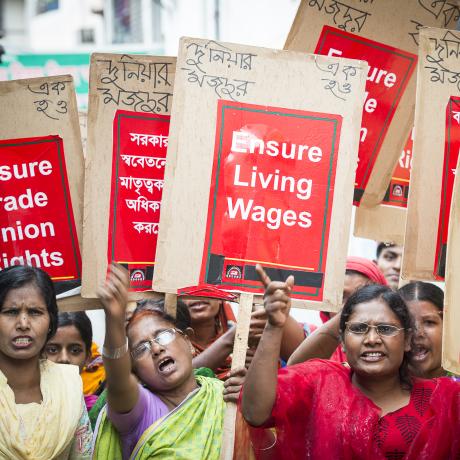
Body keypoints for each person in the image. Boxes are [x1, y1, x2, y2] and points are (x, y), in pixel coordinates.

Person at [242, 265, 460, 459]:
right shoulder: (319, 383)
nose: (372, 339)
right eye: (358, 329)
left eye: (386, 329)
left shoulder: (447, 399)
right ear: (343, 342)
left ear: (407, 341)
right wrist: (274, 326)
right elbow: (255, 413)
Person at [93, 264, 246, 459]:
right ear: (135, 369)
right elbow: (118, 380)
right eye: (142, 348)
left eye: (163, 335)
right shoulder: (141, 410)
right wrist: (113, 320)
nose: (156, 349)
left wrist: (245, 409)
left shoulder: (221, 395)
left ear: (188, 341)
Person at [0, 265, 92, 459]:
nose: (23, 324)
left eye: (34, 312)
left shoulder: (68, 387)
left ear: (51, 321)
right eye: (10, 312)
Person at [181, 291, 306, 379]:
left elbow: (301, 364)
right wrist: (232, 338)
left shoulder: (249, 336)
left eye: (207, 288)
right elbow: (183, 378)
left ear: (221, 299)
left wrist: (258, 365)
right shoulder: (171, 341)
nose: (197, 295)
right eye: (188, 290)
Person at [289, 256, 387, 365]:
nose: (352, 307)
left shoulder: (393, 344)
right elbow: (296, 365)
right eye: (340, 298)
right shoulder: (309, 337)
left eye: (364, 297)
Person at [45, 311, 105, 411]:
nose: (64, 358)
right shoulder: (18, 408)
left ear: (87, 357)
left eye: (75, 350)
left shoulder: (97, 412)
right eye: (52, 350)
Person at [398, 281, 456, 380]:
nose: (417, 333)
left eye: (429, 322)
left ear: (449, 328)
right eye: (407, 323)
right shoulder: (378, 388)